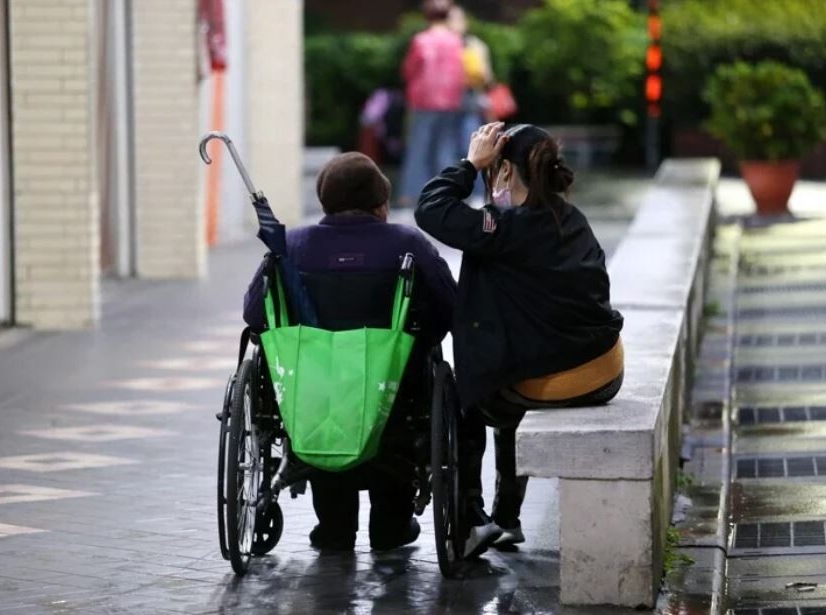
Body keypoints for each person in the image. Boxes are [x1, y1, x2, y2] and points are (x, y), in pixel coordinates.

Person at [415, 122, 624, 558]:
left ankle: (473, 518)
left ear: (505, 171)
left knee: (477, 394)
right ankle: (508, 517)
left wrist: (470, 164)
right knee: (515, 369)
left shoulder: (503, 228)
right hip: (605, 369)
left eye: (495, 172)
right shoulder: (572, 219)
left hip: (558, 379)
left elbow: (431, 209)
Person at [243, 152, 457, 552]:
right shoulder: (407, 243)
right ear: (381, 204)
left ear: (325, 201)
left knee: (325, 397)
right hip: (393, 393)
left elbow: (255, 316)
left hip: (311, 393)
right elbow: (448, 308)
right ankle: (391, 525)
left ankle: (334, 527)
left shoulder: (291, 247)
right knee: (399, 393)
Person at [398, 0, 466, 207]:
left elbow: (408, 70)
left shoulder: (421, 40)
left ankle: (412, 195)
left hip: (424, 100)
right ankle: (444, 194)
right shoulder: (456, 40)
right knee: (446, 149)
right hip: (450, 101)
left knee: (419, 147)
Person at [448, 5, 493, 202]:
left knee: (472, 148)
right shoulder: (443, 44)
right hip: (445, 106)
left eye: (458, 19)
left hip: (469, 103)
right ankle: (451, 193)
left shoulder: (475, 45)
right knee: (447, 151)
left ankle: (476, 194)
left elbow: (488, 77)